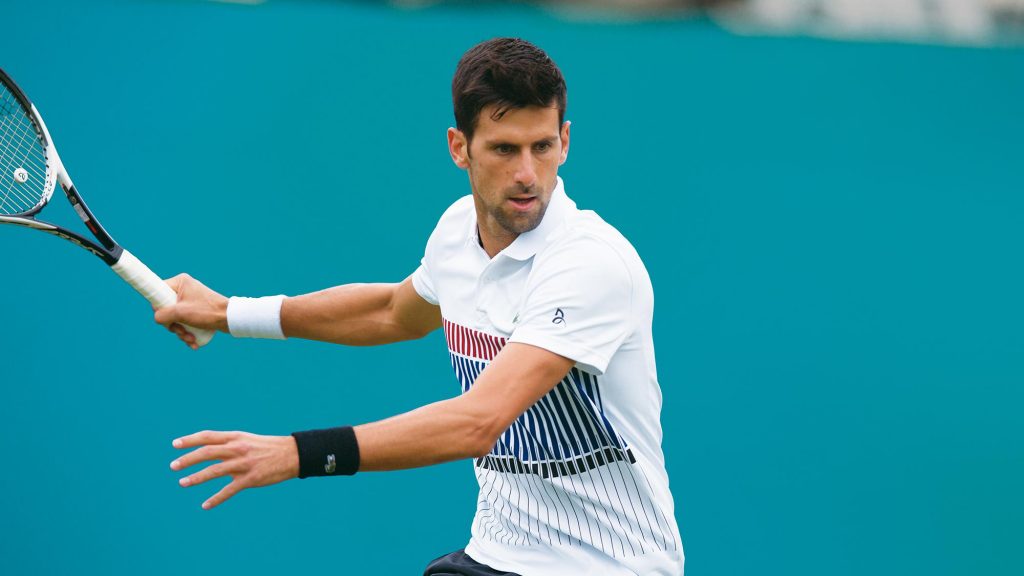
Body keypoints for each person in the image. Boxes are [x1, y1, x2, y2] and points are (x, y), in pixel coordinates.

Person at [157, 37, 683, 576]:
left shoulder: (590, 264)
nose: (527, 172)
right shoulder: (458, 231)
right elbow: (391, 311)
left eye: (542, 147)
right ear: (459, 147)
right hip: (495, 555)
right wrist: (228, 313)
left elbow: (478, 422)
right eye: (504, 149)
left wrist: (298, 453)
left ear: (565, 141)